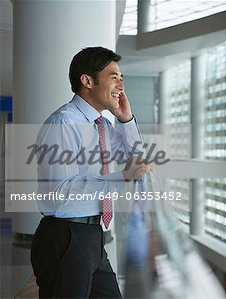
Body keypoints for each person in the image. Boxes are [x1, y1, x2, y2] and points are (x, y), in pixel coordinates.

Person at [30, 46, 151, 298]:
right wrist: (123, 177)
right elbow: (62, 193)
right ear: (87, 81)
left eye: (121, 78)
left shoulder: (103, 125)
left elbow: (137, 158)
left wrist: (126, 119)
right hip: (65, 237)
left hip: (93, 235)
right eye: (113, 76)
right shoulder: (63, 123)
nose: (120, 84)